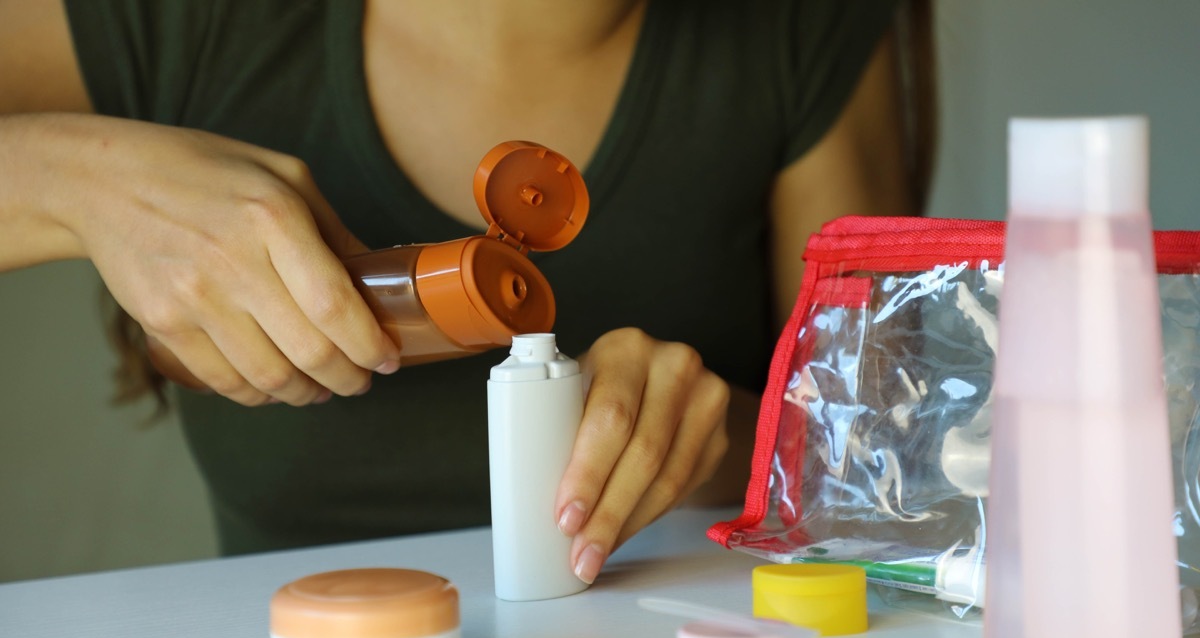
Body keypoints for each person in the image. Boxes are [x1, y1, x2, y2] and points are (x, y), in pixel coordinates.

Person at [0, 0, 928, 584]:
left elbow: (894, 487)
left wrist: (724, 440)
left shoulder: (804, 28)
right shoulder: (183, 20)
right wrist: (73, 179)